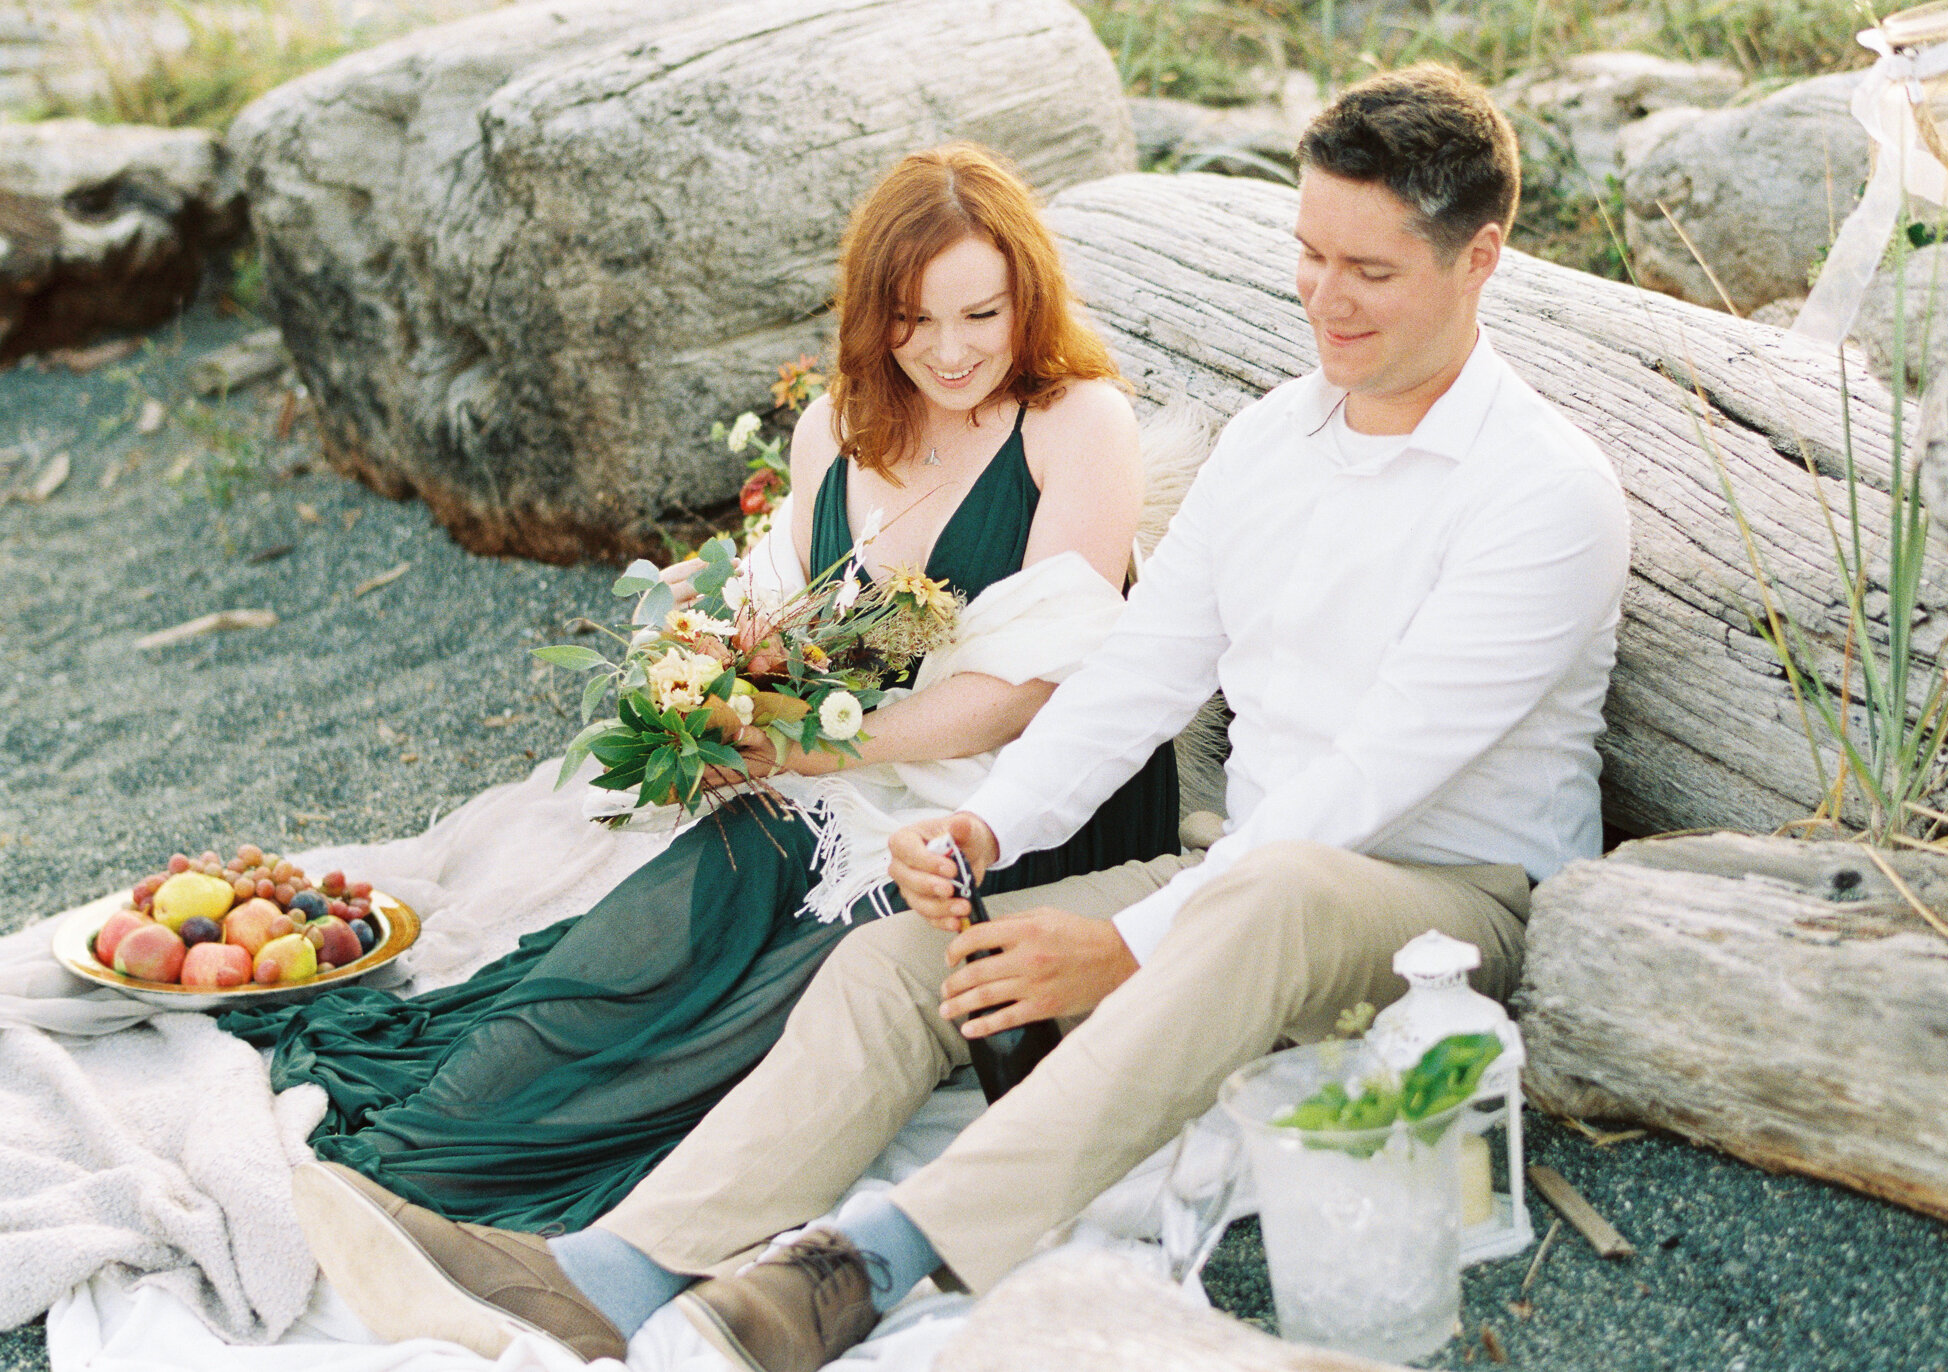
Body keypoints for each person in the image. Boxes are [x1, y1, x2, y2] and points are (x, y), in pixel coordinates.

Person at [291, 64, 1631, 1372]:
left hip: (1443, 897)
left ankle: (863, 1264)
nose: (1324, 301)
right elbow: (1139, 673)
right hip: (1238, 871)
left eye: (1370, 271)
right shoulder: (1277, 440)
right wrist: (989, 828)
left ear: (1481, 258)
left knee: (1269, 889)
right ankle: (621, 1268)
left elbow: (1374, 781)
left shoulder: (1544, 493)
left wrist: (1130, 948)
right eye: (1309, 255)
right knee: (894, 966)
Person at [226, 142, 1179, 1245]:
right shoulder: (838, 425)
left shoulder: (1076, 423)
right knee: (666, 925)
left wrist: (819, 749)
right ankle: (428, 1119)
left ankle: (482, 1179)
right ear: (874, 314)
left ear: (1028, 295)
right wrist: (716, 691)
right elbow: (786, 617)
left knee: (775, 996)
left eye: (982, 313)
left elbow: (1026, 690)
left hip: (1019, 799)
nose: (950, 349)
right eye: (914, 319)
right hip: (848, 763)